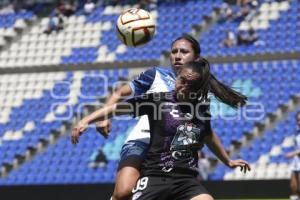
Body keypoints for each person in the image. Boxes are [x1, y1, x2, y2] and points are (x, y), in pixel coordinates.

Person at [72, 59, 251, 200]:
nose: (183, 87)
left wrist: (228, 161)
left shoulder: (201, 110)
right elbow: (119, 108)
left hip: (186, 180)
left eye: (190, 85)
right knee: (123, 193)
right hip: (156, 177)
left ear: (198, 90)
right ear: (177, 77)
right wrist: (87, 120)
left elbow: (209, 136)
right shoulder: (158, 101)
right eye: (182, 80)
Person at [96, 34, 203, 200]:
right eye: (174, 51)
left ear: (196, 57)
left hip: (170, 150)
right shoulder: (156, 75)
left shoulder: (200, 89)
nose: (177, 55)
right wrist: (105, 116)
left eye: (184, 51)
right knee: (123, 192)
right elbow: (120, 92)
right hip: (142, 141)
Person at [285, 112, 300, 200]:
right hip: (296, 162)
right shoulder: (297, 133)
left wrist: (293, 153)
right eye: (298, 120)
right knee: (293, 186)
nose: (299, 122)